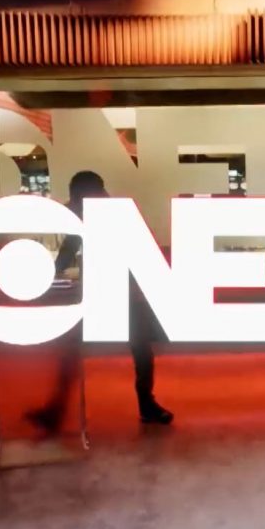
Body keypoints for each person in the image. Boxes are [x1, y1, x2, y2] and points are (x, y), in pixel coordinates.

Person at [24, 170, 174, 434]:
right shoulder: (100, 212)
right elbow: (67, 252)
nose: (74, 202)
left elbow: (67, 254)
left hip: (121, 294)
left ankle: (56, 411)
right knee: (138, 352)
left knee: (132, 351)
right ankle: (145, 405)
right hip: (114, 294)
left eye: (76, 197)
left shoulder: (108, 215)